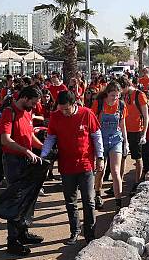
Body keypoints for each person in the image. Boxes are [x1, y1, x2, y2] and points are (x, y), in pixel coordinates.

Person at [41, 91, 103, 245]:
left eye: (66, 109)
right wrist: (43, 154)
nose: (64, 112)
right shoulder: (56, 116)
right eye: (61, 109)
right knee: (70, 202)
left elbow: (97, 136)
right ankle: (74, 231)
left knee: (89, 201)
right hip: (66, 166)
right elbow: (50, 138)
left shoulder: (87, 114)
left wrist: (100, 158)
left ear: (74, 104)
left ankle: (89, 234)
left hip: (85, 165)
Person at [0, 85, 44, 256]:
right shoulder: (9, 113)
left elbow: (30, 135)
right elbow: (5, 139)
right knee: (16, 199)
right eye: (33, 102)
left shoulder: (28, 112)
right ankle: (13, 240)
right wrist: (26, 150)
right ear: (24, 98)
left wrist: (43, 147)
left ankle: (23, 233)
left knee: (28, 197)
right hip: (14, 161)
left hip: (27, 159)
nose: (34, 106)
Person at [91, 81, 128, 210]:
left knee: (116, 171)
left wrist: (126, 142)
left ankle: (118, 203)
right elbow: (92, 122)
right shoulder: (98, 104)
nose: (115, 98)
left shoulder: (121, 106)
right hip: (101, 139)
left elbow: (122, 125)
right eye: (113, 95)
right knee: (100, 170)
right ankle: (97, 194)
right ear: (107, 94)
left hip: (115, 139)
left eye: (117, 96)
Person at [118, 76, 149, 192]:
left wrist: (144, 134)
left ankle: (136, 183)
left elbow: (146, 116)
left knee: (137, 158)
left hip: (137, 131)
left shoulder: (139, 95)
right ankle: (118, 182)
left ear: (125, 86)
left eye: (121, 89)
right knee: (122, 157)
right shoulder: (124, 96)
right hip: (124, 130)